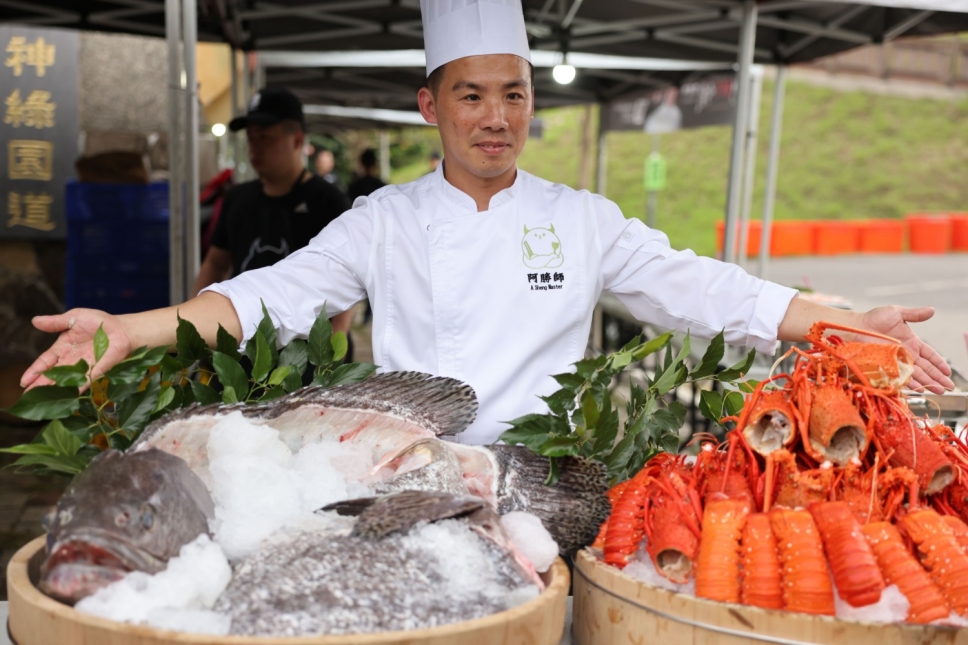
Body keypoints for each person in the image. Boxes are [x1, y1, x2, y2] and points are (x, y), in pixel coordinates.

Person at [22, 0, 953, 446]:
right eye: (472, 95)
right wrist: (129, 327)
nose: (497, 116)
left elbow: (704, 289)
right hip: (402, 467)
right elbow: (268, 295)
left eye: (514, 93)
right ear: (431, 105)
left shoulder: (583, 218)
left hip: (548, 476)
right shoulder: (381, 219)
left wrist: (835, 315)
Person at [191, 86, 355, 360]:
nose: (255, 147)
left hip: (309, 357)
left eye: (265, 138)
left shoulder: (328, 201)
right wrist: (194, 324)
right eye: (251, 139)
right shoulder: (238, 198)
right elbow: (216, 263)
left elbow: (350, 275)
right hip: (243, 354)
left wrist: (333, 352)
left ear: (296, 140)